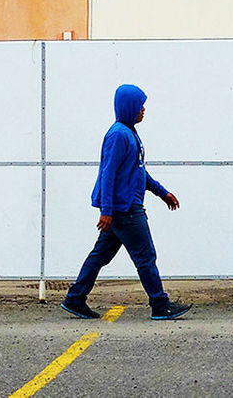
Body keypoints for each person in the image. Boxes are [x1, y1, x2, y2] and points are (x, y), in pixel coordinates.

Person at [61, 83, 192, 321]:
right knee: (146, 256)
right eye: (140, 105)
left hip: (121, 209)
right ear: (129, 106)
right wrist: (107, 210)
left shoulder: (129, 133)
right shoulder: (118, 135)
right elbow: (108, 174)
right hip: (125, 210)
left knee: (100, 256)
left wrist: (162, 193)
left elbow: (139, 172)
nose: (144, 110)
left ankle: (75, 299)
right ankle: (160, 305)